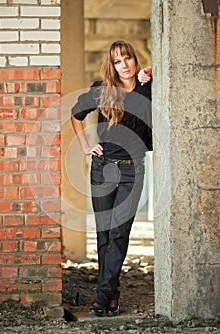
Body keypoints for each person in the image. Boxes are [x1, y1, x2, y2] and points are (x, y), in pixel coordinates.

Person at [71, 40, 152, 317]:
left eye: (128, 58)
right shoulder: (103, 91)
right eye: (118, 61)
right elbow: (75, 115)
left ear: (135, 60)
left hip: (132, 170)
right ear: (112, 66)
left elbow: (174, 75)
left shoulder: (147, 88)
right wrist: (84, 146)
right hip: (102, 168)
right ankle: (111, 295)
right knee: (104, 234)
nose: (124, 65)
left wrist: (151, 71)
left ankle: (101, 297)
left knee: (119, 233)